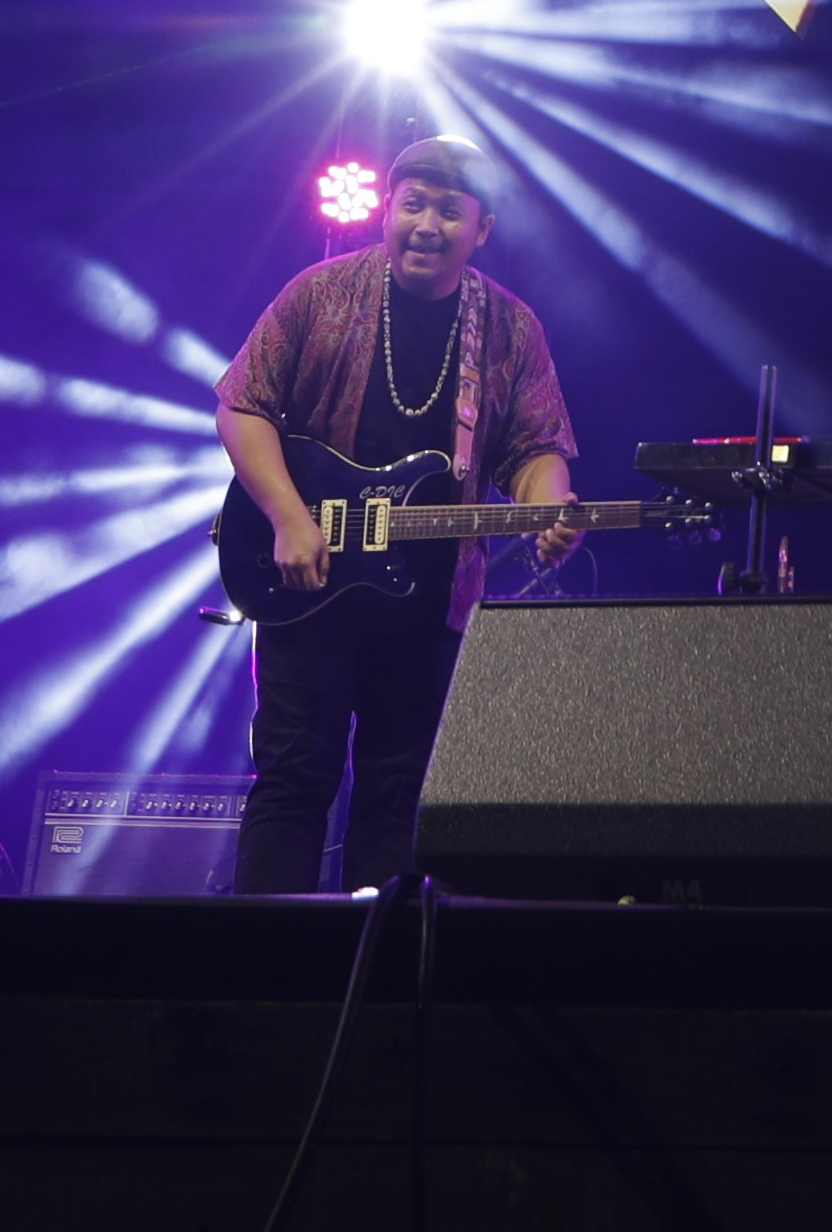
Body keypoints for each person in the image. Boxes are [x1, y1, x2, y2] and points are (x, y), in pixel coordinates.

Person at [218, 134, 575, 895]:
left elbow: (537, 447)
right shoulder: (321, 293)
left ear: (481, 230)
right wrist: (288, 518)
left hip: (428, 605)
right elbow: (242, 406)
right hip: (310, 589)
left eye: (449, 212)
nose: (426, 225)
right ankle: (262, 962)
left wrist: (550, 507)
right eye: (413, 205)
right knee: (293, 780)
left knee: (400, 799)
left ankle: (377, 962)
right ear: (387, 209)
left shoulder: (511, 328)